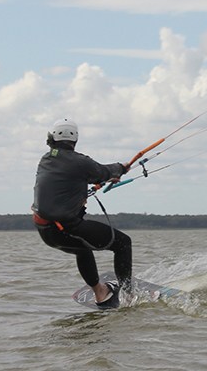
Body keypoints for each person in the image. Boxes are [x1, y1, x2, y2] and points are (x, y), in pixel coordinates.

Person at [32, 118, 132, 309]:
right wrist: (120, 168)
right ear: (75, 139)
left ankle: (101, 293)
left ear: (51, 138)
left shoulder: (46, 159)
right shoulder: (79, 162)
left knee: (82, 248)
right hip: (65, 228)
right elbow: (102, 172)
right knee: (123, 243)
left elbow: (68, 180)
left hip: (46, 231)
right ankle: (128, 296)